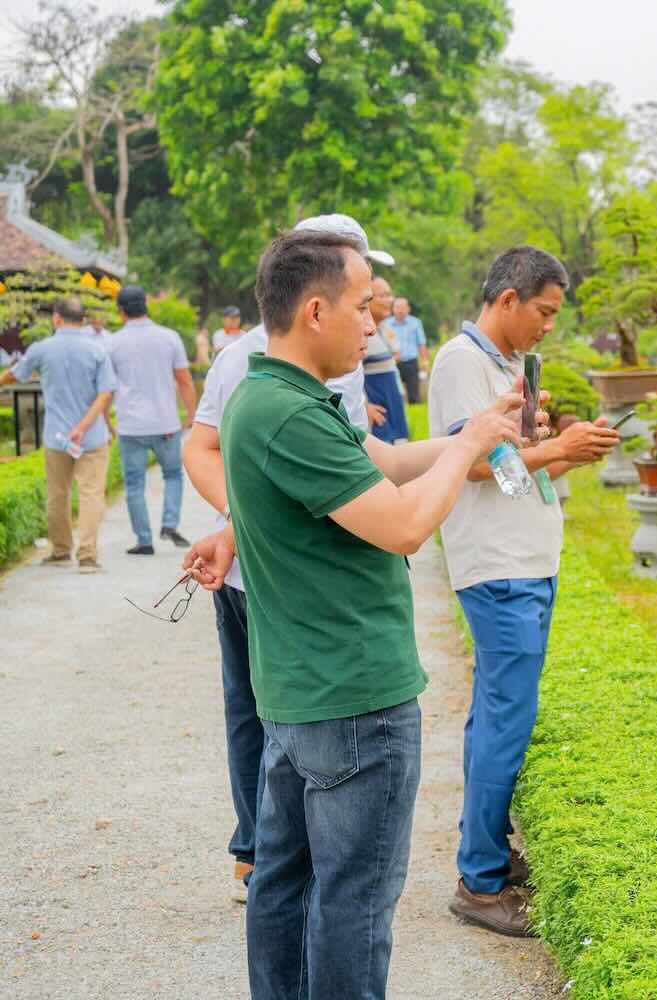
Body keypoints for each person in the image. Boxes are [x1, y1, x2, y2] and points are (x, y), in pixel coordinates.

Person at [181, 227, 532, 1000]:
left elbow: (388, 464)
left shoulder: (271, 397)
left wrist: (470, 442)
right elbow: (405, 523)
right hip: (353, 701)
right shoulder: (290, 413)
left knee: (285, 881)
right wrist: (469, 441)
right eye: (362, 308)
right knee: (352, 903)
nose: (373, 325)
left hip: (302, 693)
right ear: (315, 311)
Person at [181, 214, 385, 901]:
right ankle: (275, 858)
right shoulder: (300, 359)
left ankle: (260, 857)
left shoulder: (250, 354)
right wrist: (251, 517)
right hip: (279, 569)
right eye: (357, 286)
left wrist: (241, 521)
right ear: (316, 293)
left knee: (256, 708)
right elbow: (325, 474)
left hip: (247, 558)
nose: (369, 314)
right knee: (281, 714)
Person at [429, 245, 619, 937]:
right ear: (508, 299)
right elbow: (474, 463)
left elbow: (514, 472)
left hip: (523, 559)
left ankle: (486, 855)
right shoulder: (462, 362)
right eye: (542, 312)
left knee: (495, 719)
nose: (547, 327)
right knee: (507, 722)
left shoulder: (505, 366)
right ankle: (478, 886)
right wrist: (560, 450)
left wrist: (560, 450)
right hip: (500, 568)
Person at [0, 295, 116, 573]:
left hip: (56, 436)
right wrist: (84, 427)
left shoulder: (42, 349)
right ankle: (87, 556)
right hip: (91, 438)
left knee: (57, 494)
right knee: (90, 495)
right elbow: (105, 394)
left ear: (56, 318)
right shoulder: (97, 350)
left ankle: (61, 550)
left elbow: (16, 374)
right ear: (83, 319)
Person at [106, 285, 197, 555]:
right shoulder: (169, 337)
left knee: (133, 483)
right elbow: (184, 380)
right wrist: (192, 414)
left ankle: (144, 540)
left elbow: (105, 388)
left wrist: (106, 420)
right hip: (165, 423)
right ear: (146, 304)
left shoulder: (111, 342)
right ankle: (169, 523)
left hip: (130, 425)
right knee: (173, 475)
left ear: (120, 311)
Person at [363, 278, 409, 443]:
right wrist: (364, 405)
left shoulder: (385, 329)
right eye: (382, 295)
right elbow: (349, 376)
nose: (389, 300)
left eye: (390, 295)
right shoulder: (361, 334)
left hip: (394, 408)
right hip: (379, 418)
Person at [385, 296, 427, 403]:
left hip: (410, 363)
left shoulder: (416, 323)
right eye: (397, 307)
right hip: (392, 363)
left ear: (408, 308)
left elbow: (421, 344)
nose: (400, 310)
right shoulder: (386, 324)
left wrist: (424, 362)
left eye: (403, 307)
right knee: (393, 395)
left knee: (414, 396)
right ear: (393, 309)